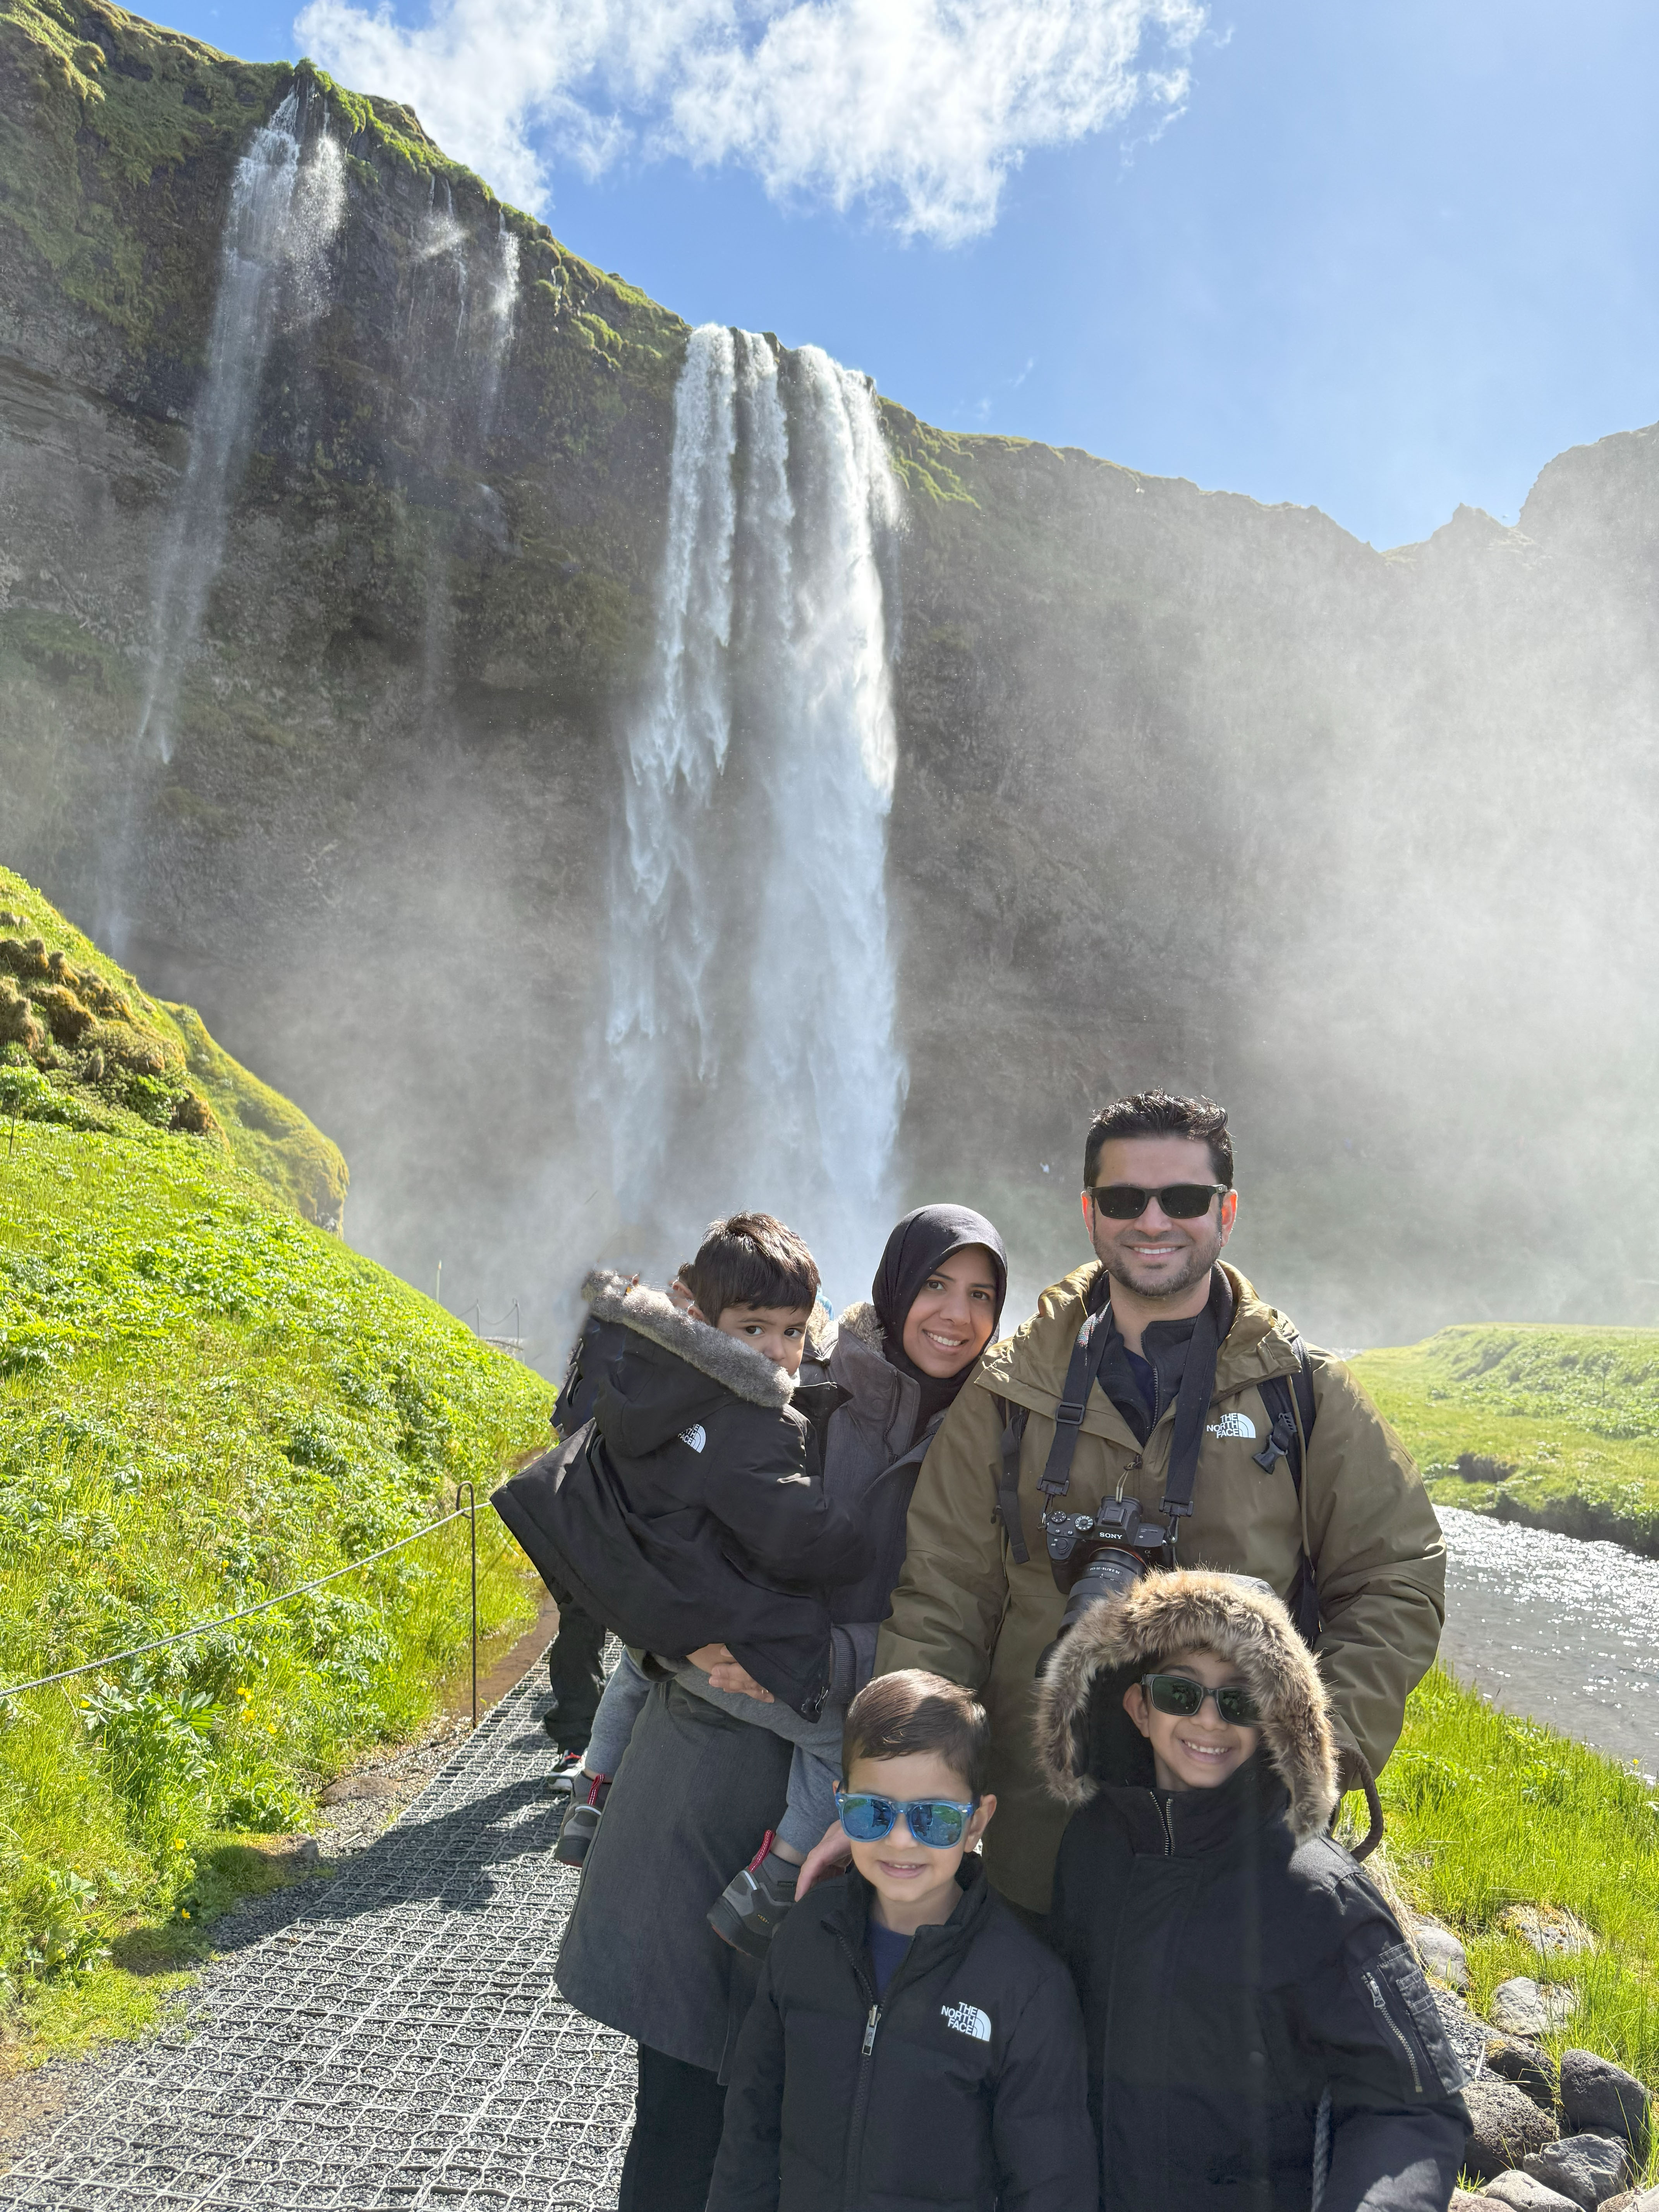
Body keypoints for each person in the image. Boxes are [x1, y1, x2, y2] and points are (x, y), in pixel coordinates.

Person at [872, 1090, 1447, 1923]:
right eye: (1123, 1199)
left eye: (1183, 1199)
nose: (1153, 1221)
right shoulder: (1008, 1394)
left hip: (1232, 1853)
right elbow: (942, 1597)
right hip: (1034, 1843)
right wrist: (906, 1785)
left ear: (1228, 1211)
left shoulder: (1303, 1393)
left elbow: (1397, 1577)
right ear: (1089, 1212)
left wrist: (1312, 1754)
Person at [554, 1204, 1006, 2212]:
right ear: (892, 1287)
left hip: (863, 1808)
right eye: (935, 1285)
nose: (954, 1315)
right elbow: (645, 1488)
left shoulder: (995, 1431)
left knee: (793, 2120)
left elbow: (984, 1626)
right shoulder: (792, 1378)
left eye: (981, 1295)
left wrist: (820, 1656)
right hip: (706, 1776)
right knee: (679, 2102)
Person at [1039, 1569, 1468, 2212]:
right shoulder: (1092, 1850)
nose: (1208, 1720)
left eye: (1240, 1701)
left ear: (1276, 1719)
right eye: (1182, 1693)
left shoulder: (1318, 1892)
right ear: (1139, 1707)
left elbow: (1413, 2107)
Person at [708, 1670, 1096, 2212]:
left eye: (933, 1818)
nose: (899, 1840)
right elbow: (750, 2125)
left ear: (977, 1823)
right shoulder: (804, 1935)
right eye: (873, 1811)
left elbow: (1051, 2185)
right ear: (841, 1804)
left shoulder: (1027, 1987)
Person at [495, 1214, 872, 1727]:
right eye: (754, 1329)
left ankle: (596, 1776)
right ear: (704, 1317)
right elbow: (789, 1526)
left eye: (794, 1331)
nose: (777, 1351)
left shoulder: (651, 1368)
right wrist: (857, 1530)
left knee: (632, 1678)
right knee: (836, 1742)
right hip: (721, 1631)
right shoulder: (751, 1419)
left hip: (652, 1596)